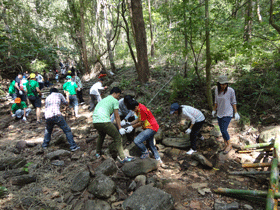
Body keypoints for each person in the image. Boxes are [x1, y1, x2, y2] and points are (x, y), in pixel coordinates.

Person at [92, 87, 135, 163]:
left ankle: (97, 153)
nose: (118, 97)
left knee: (101, 135)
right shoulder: (115, 101)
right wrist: (120, 128)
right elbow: (117, 115)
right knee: (117, 137)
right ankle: (123, 158)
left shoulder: (104, 99)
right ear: (114, 93)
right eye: (118, 95)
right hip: (104, 121)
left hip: (95, 121)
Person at [212, 75, 240, 154]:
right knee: (221, 130)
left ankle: (229, 145)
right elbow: (216, 101)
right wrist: (214, 110)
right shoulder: (216, 90)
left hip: (228, 113)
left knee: (224, 130)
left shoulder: (231, 90)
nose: (224, 86)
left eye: (225, 84)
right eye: (222, 84)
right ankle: (225, 144)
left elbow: (234, 102)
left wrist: (236, 112)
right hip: (219, 113)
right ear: (219, 84)